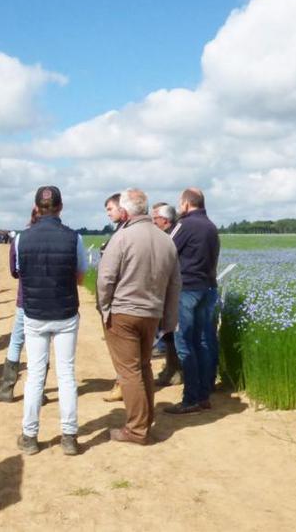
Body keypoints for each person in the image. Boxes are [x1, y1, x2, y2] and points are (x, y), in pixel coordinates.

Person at [97, 189, 181, 444]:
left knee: (129, 371)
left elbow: (106, 278)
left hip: (123, 312)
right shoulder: (166, 239)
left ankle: (136, 429)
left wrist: (104, 308)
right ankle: (145, 420)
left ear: (124, 212)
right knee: (144, 366)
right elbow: (175, 284)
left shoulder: (122, 237)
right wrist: (168, 319)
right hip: (152, 313)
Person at [15, 186, 87, 456]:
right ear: (60, 206)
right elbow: (80, 276)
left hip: (34, 314)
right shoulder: (74, 238)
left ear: (37, 206)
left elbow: (21, 274)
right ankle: (69, 437)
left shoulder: (22, 238)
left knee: (35, 375)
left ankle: (30, 436)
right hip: (66, 312)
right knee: (66, 374)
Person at [165, 188, 220, 414]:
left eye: (180, 203)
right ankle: (204, 394)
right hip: (209, 288)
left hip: (187, 289)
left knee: (185, 344)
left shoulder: (185, 224)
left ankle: (190, 399)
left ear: (187, 204)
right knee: (202, 342)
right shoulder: (211, 226)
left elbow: (166, 249)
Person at [0, 209, 43, 403]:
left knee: (17, 341)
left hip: (25, 299)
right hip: (51, 302)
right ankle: (38, 392)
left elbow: (14, 271)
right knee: (42, 345)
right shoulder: (65, 237)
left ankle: (6, 388)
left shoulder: (20, 239)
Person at [99, 193, 128, 403]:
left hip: (121, 298)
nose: (108, 213)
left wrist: (104, 303)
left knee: (121, 349)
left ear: (121, 208)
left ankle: (122, 385)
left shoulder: (124, 232)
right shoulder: (122, 230)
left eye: (110, 209)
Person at [151, 202, 182, 387]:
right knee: (168, 334)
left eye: (155, 218)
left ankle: (175, 371)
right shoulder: (168, 234)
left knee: (171, 333)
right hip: (168, 289)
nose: (153, 222)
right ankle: (171, 368)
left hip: (172, 290)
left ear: (164, 220)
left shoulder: (171, 236)